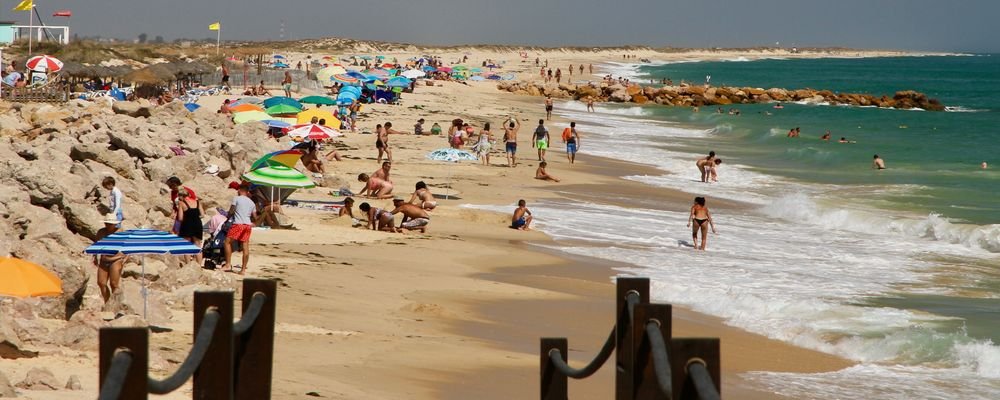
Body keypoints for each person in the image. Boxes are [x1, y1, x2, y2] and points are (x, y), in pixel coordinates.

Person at [94, 214, 127, 305]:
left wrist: (125, 257)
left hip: (116, 259)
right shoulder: (101, 232)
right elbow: (96, 244)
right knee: (101, 283)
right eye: (107, 223)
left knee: (114, 284)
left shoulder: (120, 233)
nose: (108, 225)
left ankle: (116, 304)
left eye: (110, 224)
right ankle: (107, 302)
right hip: (104, 259)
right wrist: (95, 255)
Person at [224, 184, 256, 274]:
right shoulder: (251, 202)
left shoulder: (236, 198)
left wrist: (227, 217)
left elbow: (231, 211)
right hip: (247, 225)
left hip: (238, 224)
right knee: (245, 246)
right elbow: (255, 216)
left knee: (227, 242)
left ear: (240, 190)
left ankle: (227, 264)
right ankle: (243, 270)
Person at [176, 188, 204, 265]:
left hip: (187, 224)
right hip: (197, 224)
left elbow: (180, 218)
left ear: (181, 196)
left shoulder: (181, 203)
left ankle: (188, 265)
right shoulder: (197, 202)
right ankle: (199, 265)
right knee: (197, 245)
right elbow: (202, 214)